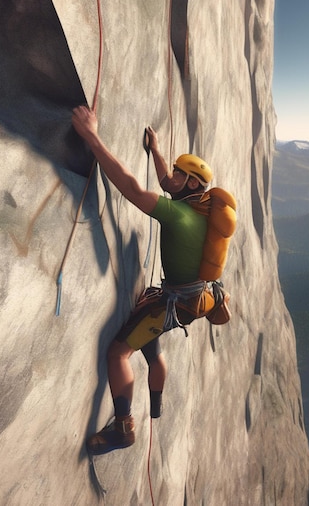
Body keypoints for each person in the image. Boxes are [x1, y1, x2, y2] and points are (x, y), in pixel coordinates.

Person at [71, 105, 214, 455]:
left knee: (118, 354)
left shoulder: (179, 214)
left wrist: (91, 136)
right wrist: (156, 151)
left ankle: (124, 429)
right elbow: (168, 183)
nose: (172, 180)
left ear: (192, 183)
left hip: (173, 303)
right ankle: (157, 403)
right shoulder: (197, 210)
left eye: (180, 175)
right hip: (187, 301)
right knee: (152, 345)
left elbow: (133, 189)